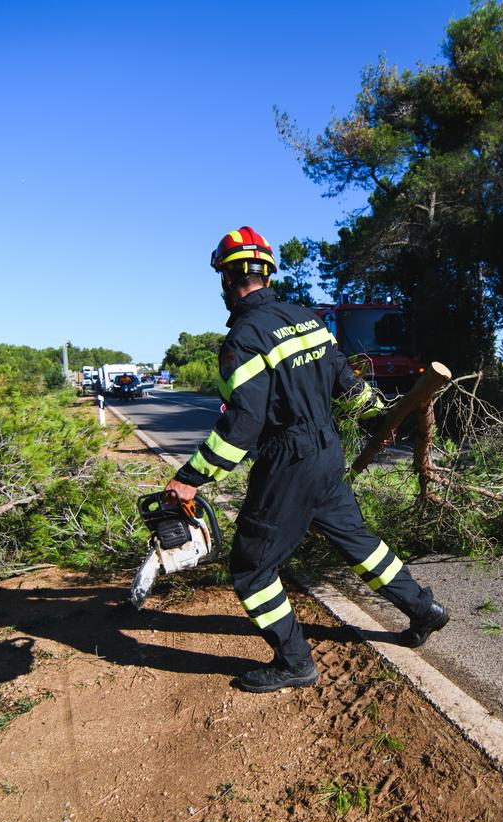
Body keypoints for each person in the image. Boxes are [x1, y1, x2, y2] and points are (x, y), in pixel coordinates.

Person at [163, 226, 449, 693]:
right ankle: (422, 608)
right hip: (326, 453)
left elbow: (243, 424)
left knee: (252, 568)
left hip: (288, 461)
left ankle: (294, 662)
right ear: (266, 273)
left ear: (228, 279)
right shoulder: (307, 319)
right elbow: (350, 388)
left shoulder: (244, 337)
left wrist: (191, 478)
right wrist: (379, 414)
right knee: (359, 542)